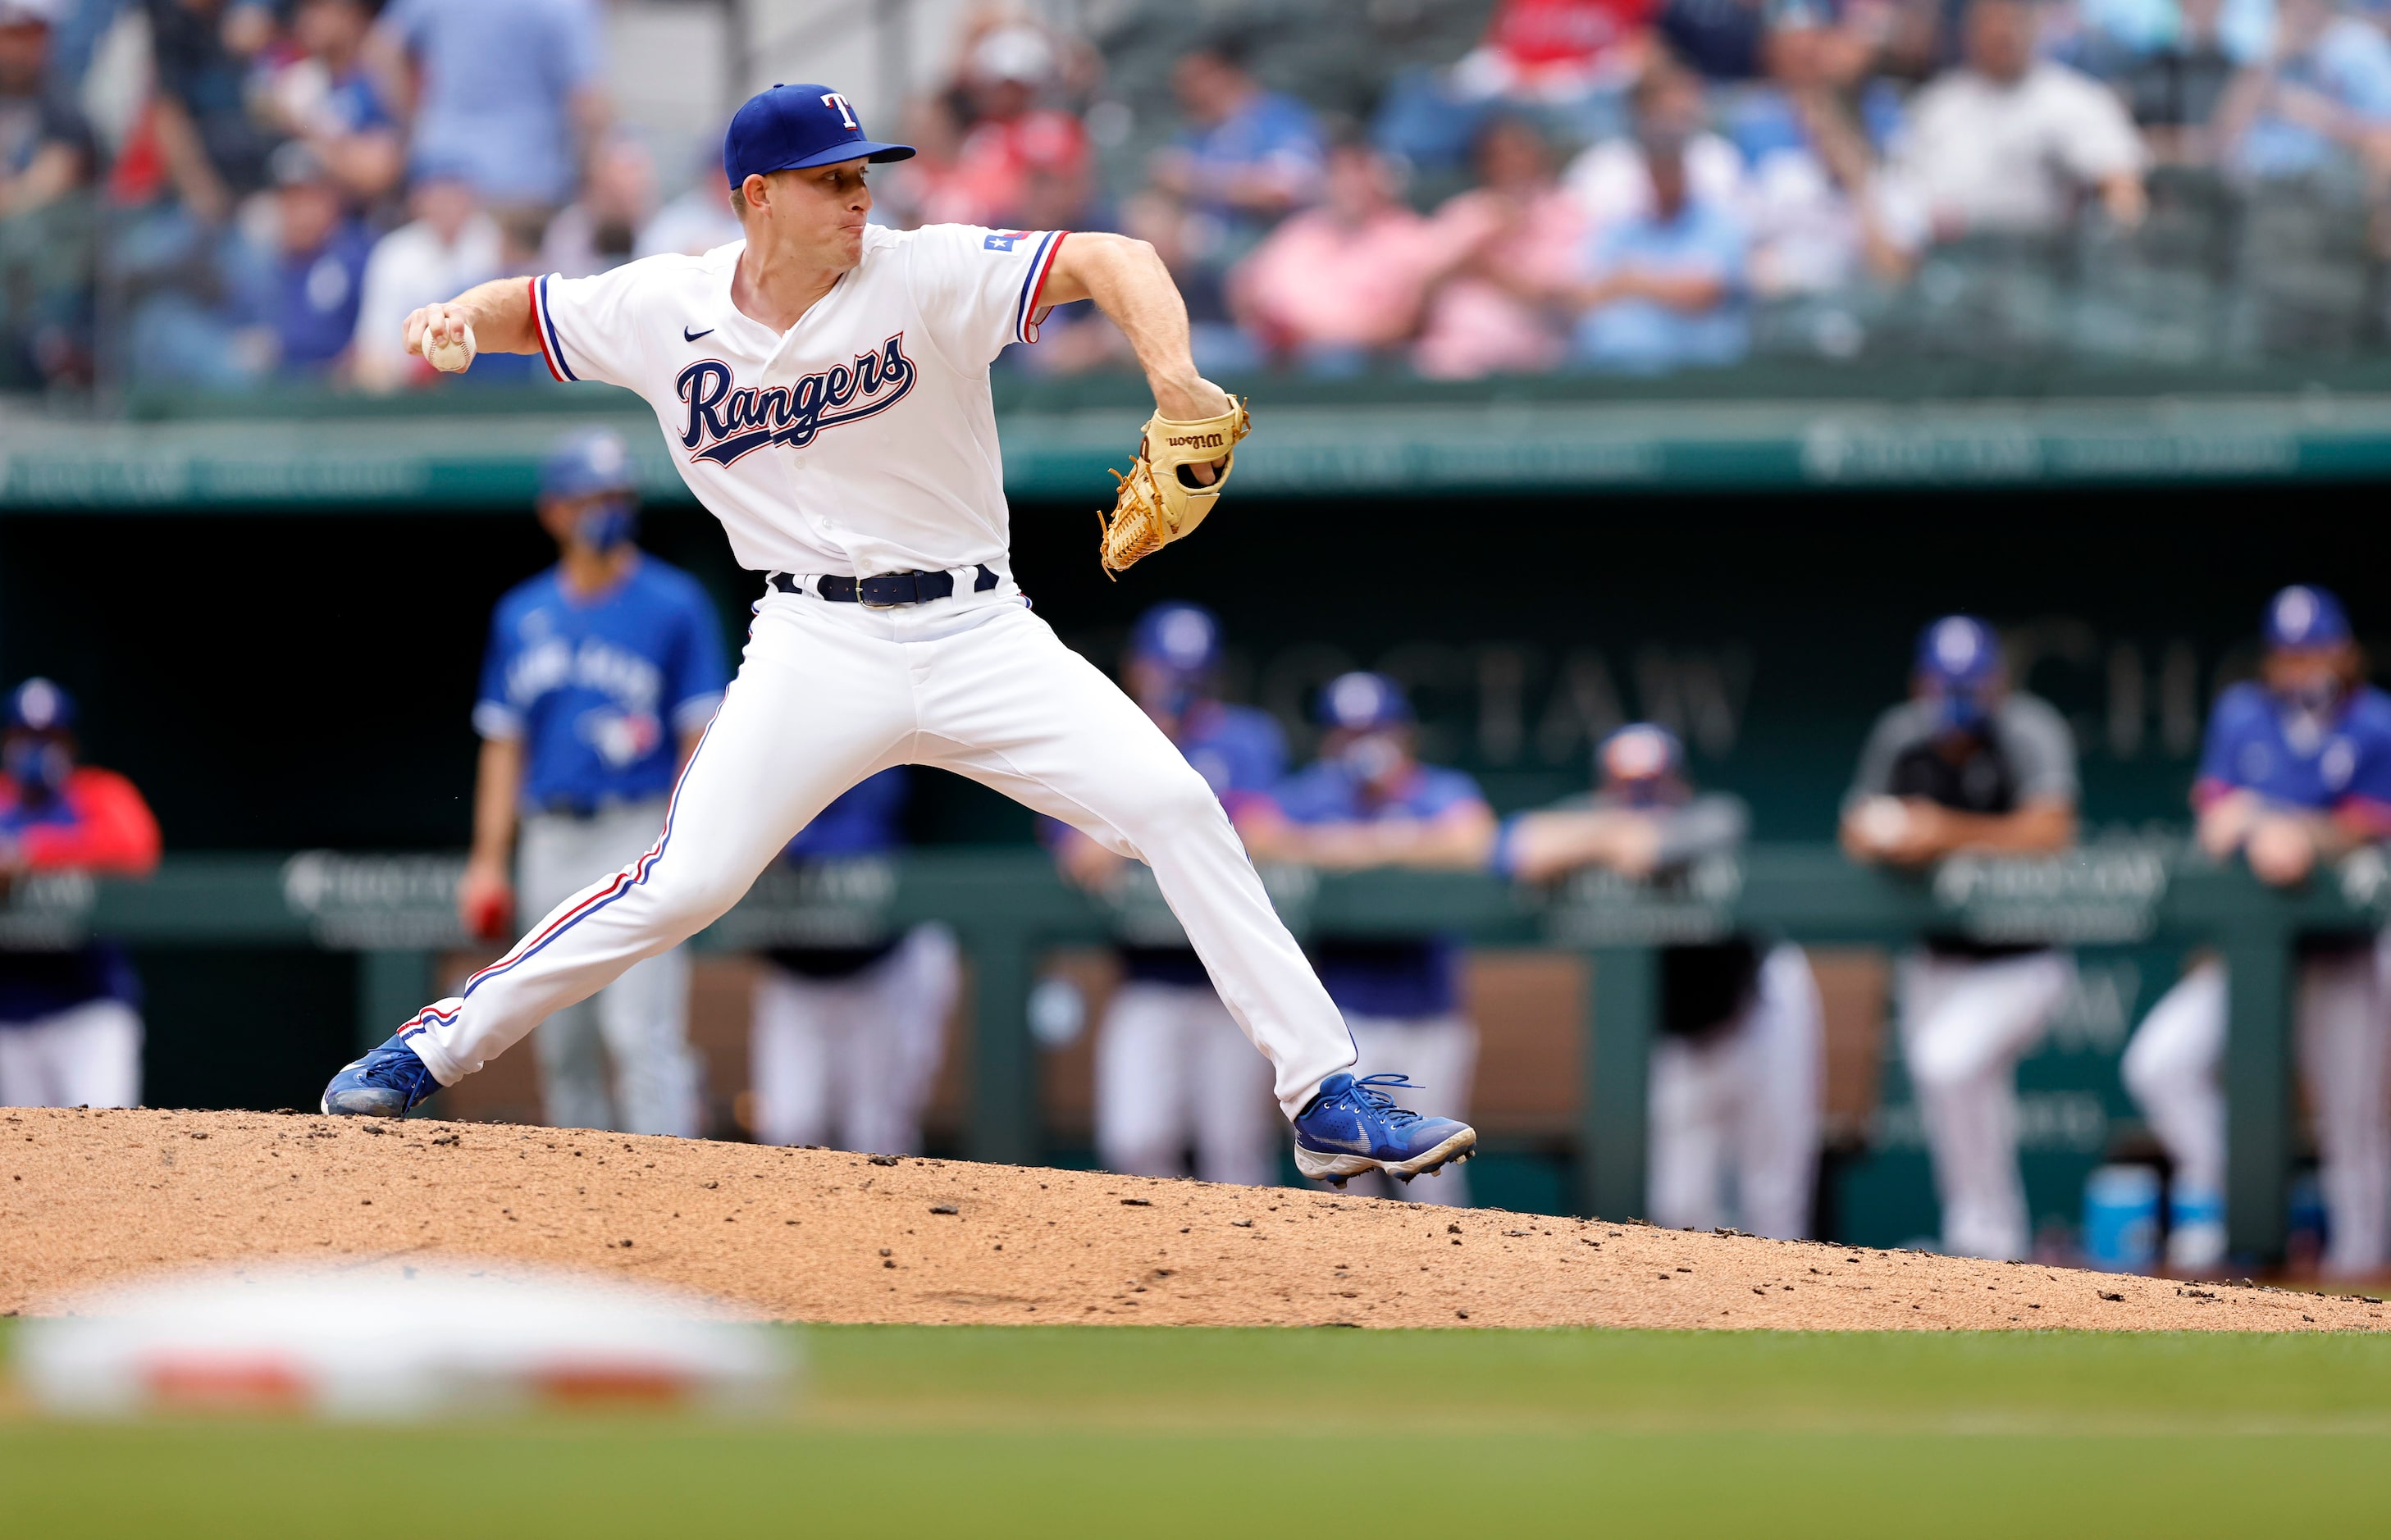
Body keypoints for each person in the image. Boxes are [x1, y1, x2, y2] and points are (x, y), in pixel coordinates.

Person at [321, 84, 1476, 1195]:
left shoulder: (924, 271)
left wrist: (1174, 380)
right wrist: (453, 317)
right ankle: (430, 1051)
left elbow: (1113, 257)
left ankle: (1324, 1093)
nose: (859, 198)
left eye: (864, 174)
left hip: (979, 629)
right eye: (830, 181)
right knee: (686, 883)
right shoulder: (662, 305)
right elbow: (530, 305)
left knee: (1176, 810)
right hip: (811, 640)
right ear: (755, 196)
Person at [452, 429, 727, 1137]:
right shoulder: (521, 613)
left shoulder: (674, 603)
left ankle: (668, 1204)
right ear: (554, 512)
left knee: (642, 1035)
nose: (606, 511)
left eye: (616, 496)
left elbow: (699, 735)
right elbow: (503, 747)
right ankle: (580, 1218)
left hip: (636, 828)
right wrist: (487, 860)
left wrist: (684, 840)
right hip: (550, 835)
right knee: (562, 1043)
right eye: (589, 498)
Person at [2121, 585, 2391, 1278]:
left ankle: (2359, 1269)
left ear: (2344, 651)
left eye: (2316, 649)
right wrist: (2263, 822)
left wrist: (2280, 822)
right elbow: (2215, 823)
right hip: (2249, 954)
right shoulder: (2242, 713)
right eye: (2289, 652)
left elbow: (2366, 826)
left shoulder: (2374, 722)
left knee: (2350, 1122)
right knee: (2159, 1063)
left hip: (2339, 956)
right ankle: (2217, 1193)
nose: (2303, 665)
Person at [1503, 722, 1824, 1237]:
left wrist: (1596, 840)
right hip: (1676, 1029)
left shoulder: (1710, 814)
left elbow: (1653, 850)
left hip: (1759, 1004)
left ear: (1678, 785)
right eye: (1627, 787)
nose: (1640, 800)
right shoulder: (1588, 816)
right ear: (1604, 788)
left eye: (1652, 787)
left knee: (1773, 1194)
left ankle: (1783, 1308)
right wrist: (1605, 833)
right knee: (1679, 1205)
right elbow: (1516, 849)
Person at [1841, 615, 2080, 1260]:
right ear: (1922, 683)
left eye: (1970, 686)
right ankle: (1984, 1240)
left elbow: (2052, 830)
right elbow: (1855, 826)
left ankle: (1986, 1236)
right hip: (1936, 959)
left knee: (1946, 1061)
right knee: (1958, 1093)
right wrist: (1894, 834)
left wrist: (1942, 831)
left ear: (1995, 683)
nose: (1957, 701)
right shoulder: (1900, 735)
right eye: (1945, 685)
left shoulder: (2027, 728)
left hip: (2023, 957)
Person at [1236, 672, 1498, 1203]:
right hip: (1346, 1021)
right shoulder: (1315, 793)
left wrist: (1367, 843)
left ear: (1402, 733)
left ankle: (1450, 1284)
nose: (1363, 744)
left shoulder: (1435, 789)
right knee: (1354, 1177)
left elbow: (1476, 838)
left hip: (1431, 1014)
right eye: (1349, 732)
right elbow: (1252, 831)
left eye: (1376, 730)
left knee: (1434, 1174)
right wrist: (1346, 841)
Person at [1050, 603, 1286, 1187]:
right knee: (1135, 1141)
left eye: (1191, 672)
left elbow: (1265, 832)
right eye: (1165, 669)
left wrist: (1133, 827)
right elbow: (1077, 852)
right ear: (1136, 667)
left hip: (1230, 988)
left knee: (1233, 1153)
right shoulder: (1106, 735)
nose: (1177, 684)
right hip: (1148, 979)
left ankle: (1241, 1274)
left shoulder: (1246, 736)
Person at [749, 768, 960, 1156]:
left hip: (881, 969)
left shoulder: (868, 751)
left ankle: (887, 1219)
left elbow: (864, 831)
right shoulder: (762, 741)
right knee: (788, 1128)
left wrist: (785, 840)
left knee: (876, 1135)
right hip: (795, 975)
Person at [0, 679, 162, 1109]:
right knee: (32, 1161)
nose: (35, 749)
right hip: (8, 1013)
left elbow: (136, 847)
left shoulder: (98, 792)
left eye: (49, 737)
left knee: (107, 1140)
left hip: (88, 1007)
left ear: (69, 742)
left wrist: (28, 853)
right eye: (24, 736)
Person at [1878, 0, 2148, 241]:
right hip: (1939, 261)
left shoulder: (2073, 100)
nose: (2000, 31)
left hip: (2036, 268)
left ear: (2035, 25)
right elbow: (1898, 188)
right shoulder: (1937, 103)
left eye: (2011, 19)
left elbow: (2121, 187)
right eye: (1989, 20)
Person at [1229, 141, 1457, 374]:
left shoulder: (1408, 236)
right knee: (1208, 353)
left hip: (1355, 357)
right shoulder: (1303, 229)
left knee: (1334, 364)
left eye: (1359, 172)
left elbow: (1400, 324)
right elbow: (1245, 286)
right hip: (1276, 349)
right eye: (1339, 173)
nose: (1349, 184)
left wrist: (1311, 333)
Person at [1569, 89, 1752, 371]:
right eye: (1657, 167)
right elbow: (1585, 297)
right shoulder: (1622, 228)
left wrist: (1632, 280)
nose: (1665, 177)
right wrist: (1666, 285)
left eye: (1671, 167)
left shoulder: (1718, 223)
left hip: (1699, 378)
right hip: (1614, 371)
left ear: (1684, 168)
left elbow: (1703, 292)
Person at [367, 0, 606, 213]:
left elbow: (382, 49)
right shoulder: (564, 6)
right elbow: (587, 102)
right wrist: (590, 172)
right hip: (524, 183)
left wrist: (415, 120)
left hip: (441, 175)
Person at [1415, 116, 1588, 379]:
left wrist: (1489, 267)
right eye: (1498, 156)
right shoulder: (1463, 212)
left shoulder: (1565, 213)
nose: (1511, 164)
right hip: (1455, 363)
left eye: (1520, 152)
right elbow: (1420, 291)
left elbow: (1560, 298)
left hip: (1537, 362)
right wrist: (1470, 255)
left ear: (1540, 158)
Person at [0, 0, 97, 387]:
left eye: (32, 35)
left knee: (32, 238)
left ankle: (51, 356)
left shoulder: (60, 102)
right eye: (12, 35)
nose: (20, 49)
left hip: (50, 261)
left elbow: (53, 179)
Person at [349, 162, 500, 390]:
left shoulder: (496, 243)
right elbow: (374, 349)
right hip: (413, 386)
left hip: (487, 380)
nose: (447, 205)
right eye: (436, 194)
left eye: (454, 194)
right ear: (418, 199)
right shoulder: (395, 252)